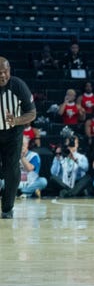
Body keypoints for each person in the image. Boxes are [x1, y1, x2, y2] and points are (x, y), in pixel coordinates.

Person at [0, 57, 37, 219]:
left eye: (5, 71)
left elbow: (32, 113)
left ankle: (7, 209)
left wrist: (16, 120)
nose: (2, 75)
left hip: (13, 133)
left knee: (12, 170)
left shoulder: (18, 85)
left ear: (9, 71)